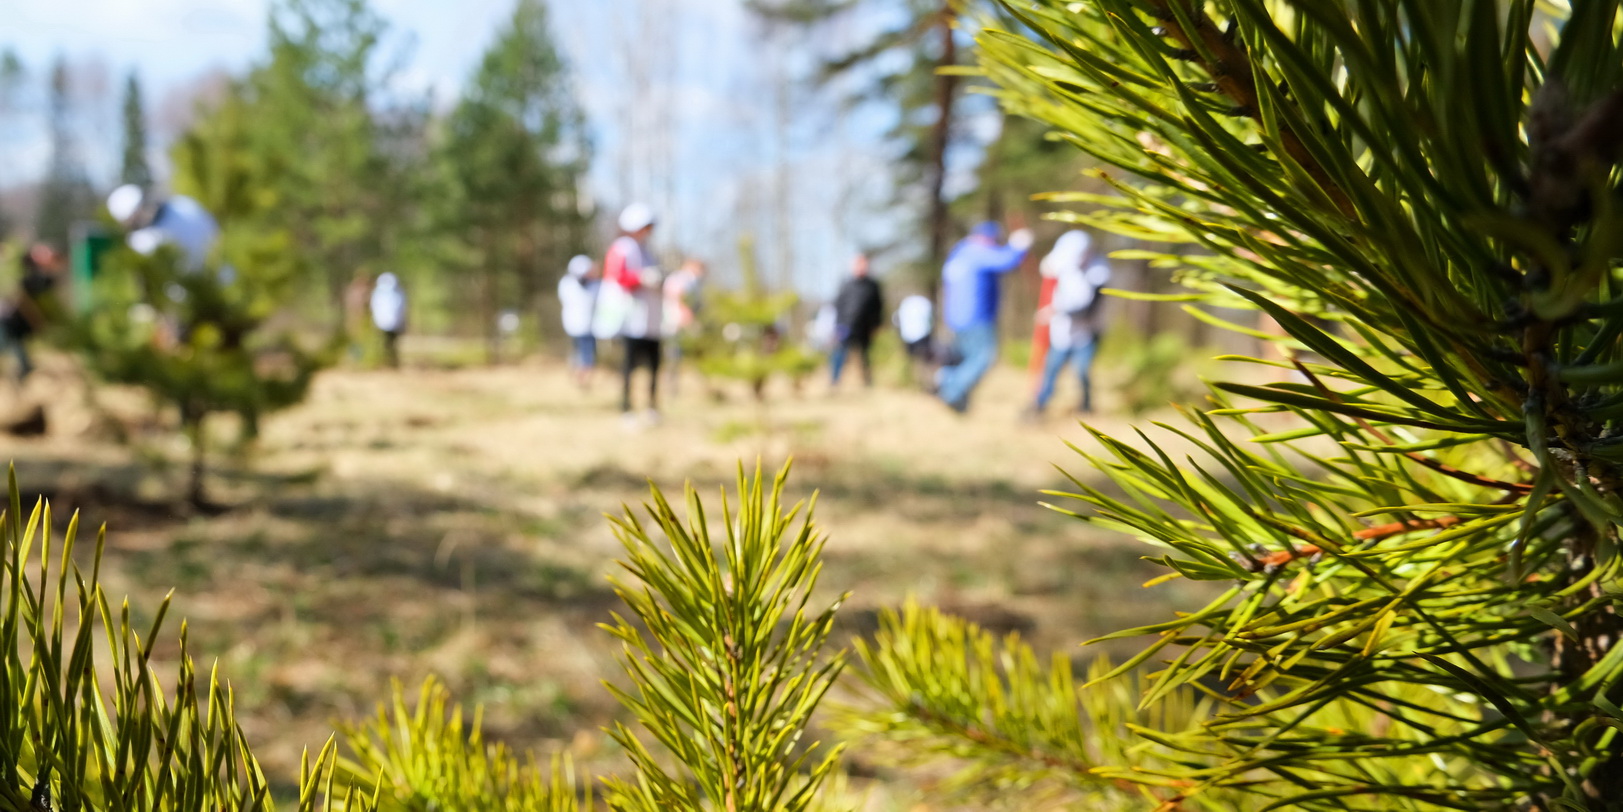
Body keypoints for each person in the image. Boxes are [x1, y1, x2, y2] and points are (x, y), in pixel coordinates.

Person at [936, 220, 1034, 413]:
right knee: (984, 357)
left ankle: (953, 391)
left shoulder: (959, 253)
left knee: (966, 360)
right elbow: (1005, 261)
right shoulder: (977, 252)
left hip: (955, 319)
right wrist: (1019, 246)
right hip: (977, 317)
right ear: (986, 238)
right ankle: (949, 388)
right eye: (995, 241)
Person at [1028, 230, 1111, 417]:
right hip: (1062, 333)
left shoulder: (1099, 272)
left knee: (1081, 371)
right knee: (1051, 370)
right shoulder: (1064, 267)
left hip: (1087, 334)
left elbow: (1089, 309)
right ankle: (1038, 406)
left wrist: (1056, 311)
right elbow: (1049, 269)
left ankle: (1086, 407)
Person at [598, 203, 663, 421]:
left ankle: (652, 407)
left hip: (651, 320)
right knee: (630, 367)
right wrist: (641, 278)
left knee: (654, 366)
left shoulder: (646, 251)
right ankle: (627, 408)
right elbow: (616, 278)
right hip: (631, 319)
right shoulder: (622, 248)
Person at [1, 245, 63, 383]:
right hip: (9, 317)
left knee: (15, 343)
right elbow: (22, 301)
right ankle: (23, 371)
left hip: (12, 318)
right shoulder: (28, 276)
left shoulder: (38, 279)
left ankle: (24, 371)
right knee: (12, 343)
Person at [828, 253, 885, 388]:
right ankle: (834, 382)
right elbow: (838, 304)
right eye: (858, 264)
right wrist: (838, 325)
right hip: (846, 325)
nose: (861, 267)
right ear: (853, 266)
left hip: (865, 327)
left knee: (866, 356)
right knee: (840, 354)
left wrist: (877, 325)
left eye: (863, 264)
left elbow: (878, 306)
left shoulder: (873, 285)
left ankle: (867, 382)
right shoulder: (846, 284)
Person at [662, 258, 704, 394]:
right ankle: (672, 388)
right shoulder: (685, 279)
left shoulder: (679, 278)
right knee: (674, 356)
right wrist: (689, 321)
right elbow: (681, 299)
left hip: (672, 322)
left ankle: (674, 387)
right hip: (676, 323)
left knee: (674, 356)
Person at [559, 255, 599, 389]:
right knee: (586, 357)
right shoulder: (578, 286)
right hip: (583, 327)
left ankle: (578, 377)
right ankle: (581, 381)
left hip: (578, 326)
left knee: (579, 354)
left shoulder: (566, 284)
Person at [370, 272, 408, 369]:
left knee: (392, 343)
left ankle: (391, 361)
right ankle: (384, 361)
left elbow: (401, 308)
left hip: (394, 323)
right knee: (382, 343)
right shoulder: (378, 293)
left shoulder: (398, 293)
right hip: (382, 323)